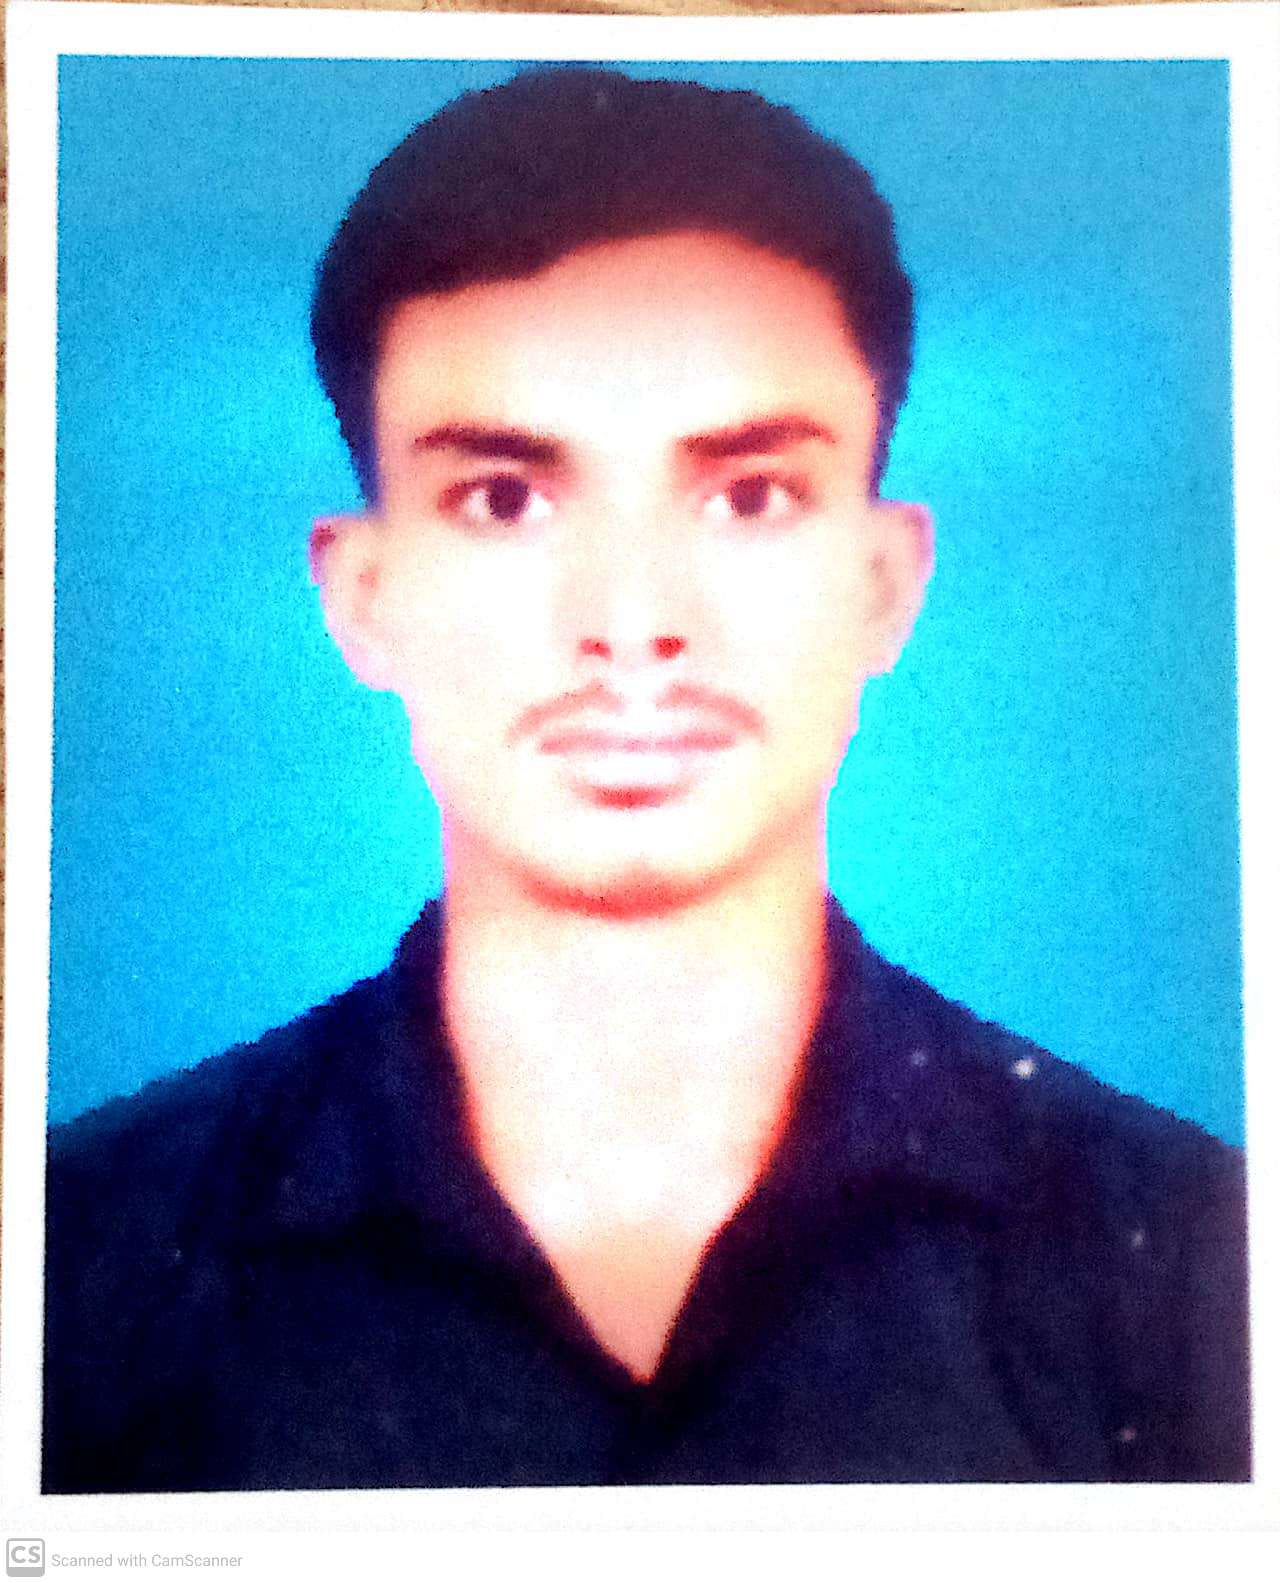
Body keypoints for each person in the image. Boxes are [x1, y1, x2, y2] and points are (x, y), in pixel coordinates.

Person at [43, 66, 1250, 1491]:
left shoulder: (1200, 1272)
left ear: (885, 581)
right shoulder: (70, 1272)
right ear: (362, 596)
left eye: (750, 495)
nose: (631, 623)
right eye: (505, 498)